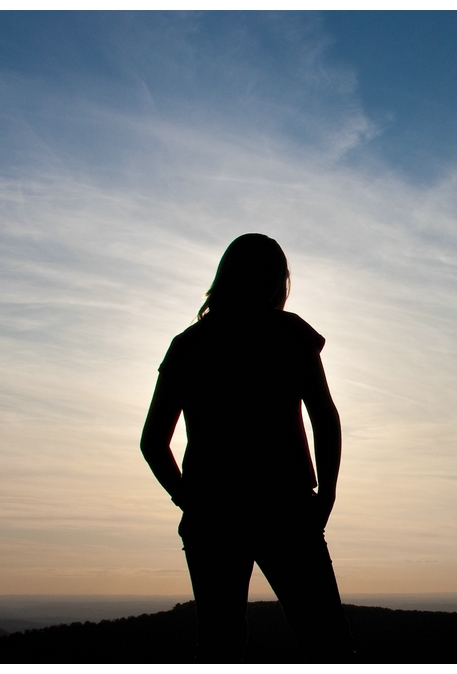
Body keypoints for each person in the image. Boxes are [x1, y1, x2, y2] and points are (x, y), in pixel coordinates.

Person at [140, 233, 355, 662]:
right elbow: (325, 418)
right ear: (277, 281)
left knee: (220, 645)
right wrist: (326, 495)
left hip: (213, 513)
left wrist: (188, 499)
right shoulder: (289, 334)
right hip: (285, 506)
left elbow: (152, 442)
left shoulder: (189, 345)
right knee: (325, 640)